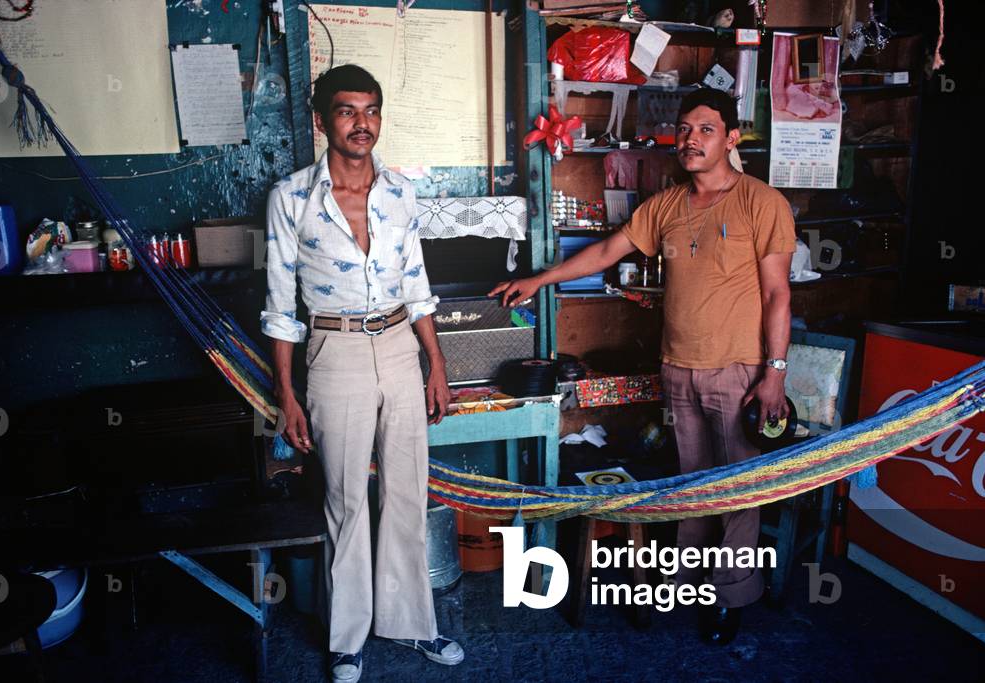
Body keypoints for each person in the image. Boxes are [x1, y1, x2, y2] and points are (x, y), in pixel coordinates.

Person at [490, 87, 795, 644]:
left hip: (739, 369)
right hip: (677, 368)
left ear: (731, 138)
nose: (691, 139)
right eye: (684, 129)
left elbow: (778, 295)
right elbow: (608, 251)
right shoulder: (668, 205)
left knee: (737, 489)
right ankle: (692, 581)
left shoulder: (760, 202)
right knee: (692, 483)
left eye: (705, 129)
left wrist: (774, 372)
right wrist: (537, 279)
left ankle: (730, 597)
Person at [261, 64, 464, 683]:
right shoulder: (291, 198)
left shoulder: (402, 194)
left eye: (371, 111)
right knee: (346, 499)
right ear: (322, 121)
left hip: (401, 343)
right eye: (348, 112)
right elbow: (279, 306)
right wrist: (287, 395)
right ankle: (347, 638)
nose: (362, 124)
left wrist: (437, 365)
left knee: (407, 491)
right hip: (334, 351)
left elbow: (419, 287)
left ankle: (412, 625)